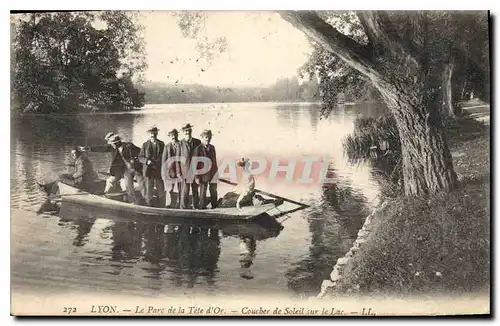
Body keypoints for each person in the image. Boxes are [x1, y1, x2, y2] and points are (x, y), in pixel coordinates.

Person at [104, 134, 145, 204]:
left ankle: (146, 201)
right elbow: (102, 148)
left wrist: (136, 159)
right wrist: (89, 148)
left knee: (142, 186)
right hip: (127, 170)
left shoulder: (129, 145)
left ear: (117, 143)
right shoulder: (115, 149)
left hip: (136, 169)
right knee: (128, 187)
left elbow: (141, 152)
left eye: (113, 144)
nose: (112, 145)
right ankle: (133, 203)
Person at [139, 126, 166, 207]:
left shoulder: (161, 144)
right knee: (148, 190)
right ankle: (149, 206)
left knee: (160, 190)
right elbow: (140, 157)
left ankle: (162, 206)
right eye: (151, 133)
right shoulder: (145, 145)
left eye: (154, 133)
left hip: (158, 170)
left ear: (156, 134)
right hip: (148, 171)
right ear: (149, 134)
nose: (152, 135)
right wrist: (147, 161)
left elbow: (164, 157)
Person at [193, 129, 218, 209]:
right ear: (202, 138)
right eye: (206, 137)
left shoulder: (212, 148)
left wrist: (216, 173)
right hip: (202, 174)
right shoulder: (198, 149)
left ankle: (214, 206)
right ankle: (202, 207)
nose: (208, 139)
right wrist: (196, 177)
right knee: (203, 191)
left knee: (213, 191)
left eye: (209, 137)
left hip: (212, 174)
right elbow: (195, 164)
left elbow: (214, 161)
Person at [179, 123, 201, 209]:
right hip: (185, 172)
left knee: (195, 190)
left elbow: (200, 158)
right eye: (185, 131)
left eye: (188, 131)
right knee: (185, 191)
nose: (187, 132)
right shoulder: (180, 144)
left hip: (195, 171)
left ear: (191, 131)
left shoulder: (197, 142)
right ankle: (183, 208)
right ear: (183, 132)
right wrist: (178, 173)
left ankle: (196, 207)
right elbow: (177, 160)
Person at [161, 128, 183, 208]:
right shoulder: (167, 147)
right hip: (170, 172)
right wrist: (163, 174)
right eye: (172, 135)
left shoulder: (181, 145)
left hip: (180, 171)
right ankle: (171, 203)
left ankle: (180, 204)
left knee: (181, 189)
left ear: (177, 135)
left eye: (175, 135)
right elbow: (164, 161)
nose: (173, 137)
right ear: (170, 136)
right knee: (170, 189)